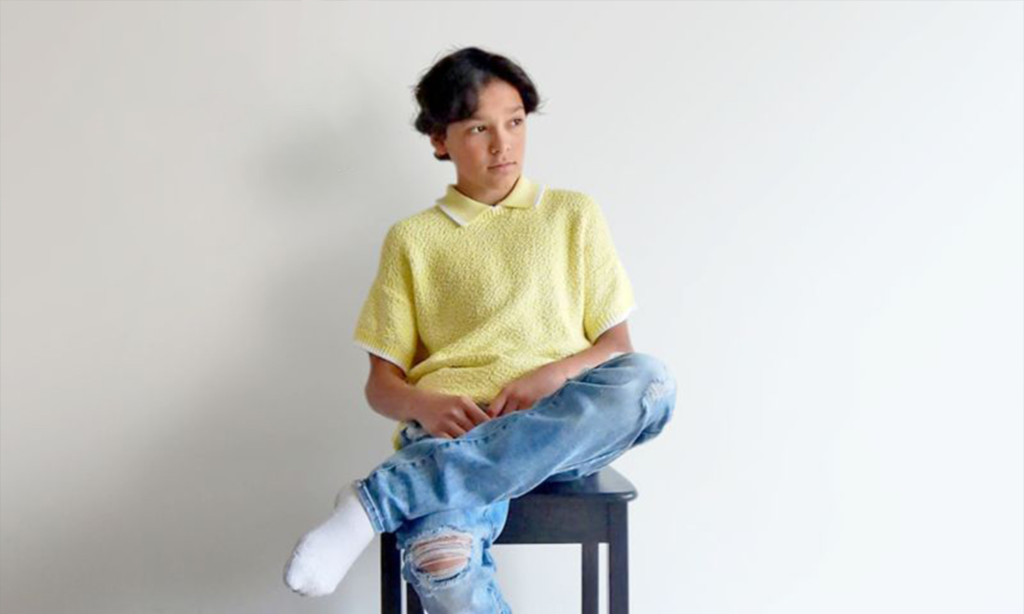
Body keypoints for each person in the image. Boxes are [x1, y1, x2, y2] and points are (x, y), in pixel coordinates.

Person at [283, 46, 677, 613]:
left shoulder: (574, 215)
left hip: (559, 426)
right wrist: (425, 403)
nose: (503, 144)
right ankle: (420, 486)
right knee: (441, 563)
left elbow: (617, 349)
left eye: (514, 122)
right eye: (478, 128)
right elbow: (381, 385)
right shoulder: (412, 239)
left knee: (651, 383)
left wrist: (552, 376)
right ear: (439, 140)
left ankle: (379, 499)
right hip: (457, 431)